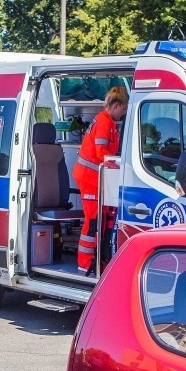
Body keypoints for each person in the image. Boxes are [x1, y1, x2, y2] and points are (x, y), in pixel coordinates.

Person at [71, 86, 129, 274]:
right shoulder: (104, 123)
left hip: (95, 179)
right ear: (116, 105)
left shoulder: (107, 122)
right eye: (123, 109)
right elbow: (101, 153)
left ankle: (94, 262)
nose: (123, 113)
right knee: (92, 222)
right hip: (90, 179)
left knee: (99, 222)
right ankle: (85, 263)